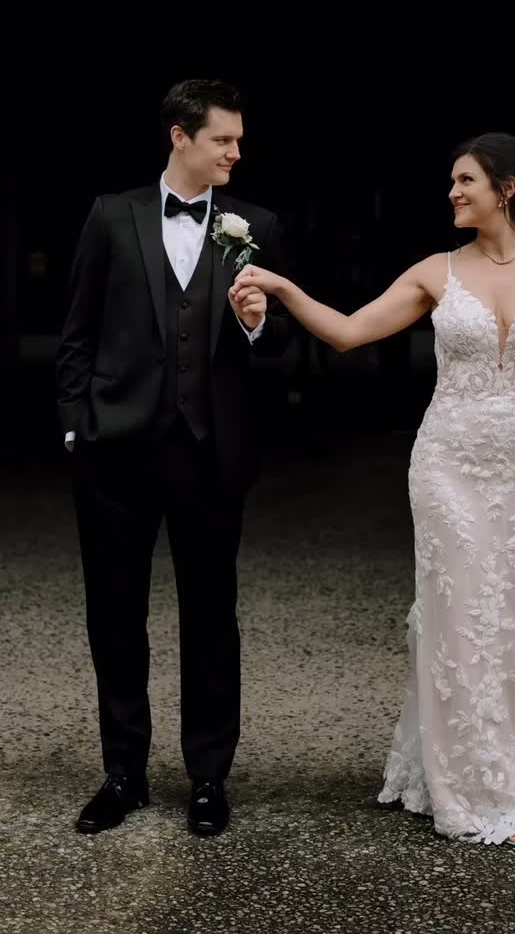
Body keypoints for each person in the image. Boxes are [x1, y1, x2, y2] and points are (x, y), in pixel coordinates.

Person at [231, 132, 515, 847]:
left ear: (505, 189)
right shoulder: (435, 272)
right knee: (460, 613)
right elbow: (347, 332)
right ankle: (465, 783)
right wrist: (281, 288)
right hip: (448, 466)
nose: (452, 193)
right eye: (451, 181)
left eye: (465, 180)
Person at [56, 78, 291, 836]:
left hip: (209, 450)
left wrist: (257, 326)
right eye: (224, 138)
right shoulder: (110, 216)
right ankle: (122, 774)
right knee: (115, 616)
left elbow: (279, 346)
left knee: (211, 616)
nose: (236, 152)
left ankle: (207, 778)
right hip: (115, 451)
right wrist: (76, 427)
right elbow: (77, 333)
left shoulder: (257, 225)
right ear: (179, 136)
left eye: (239, 139)